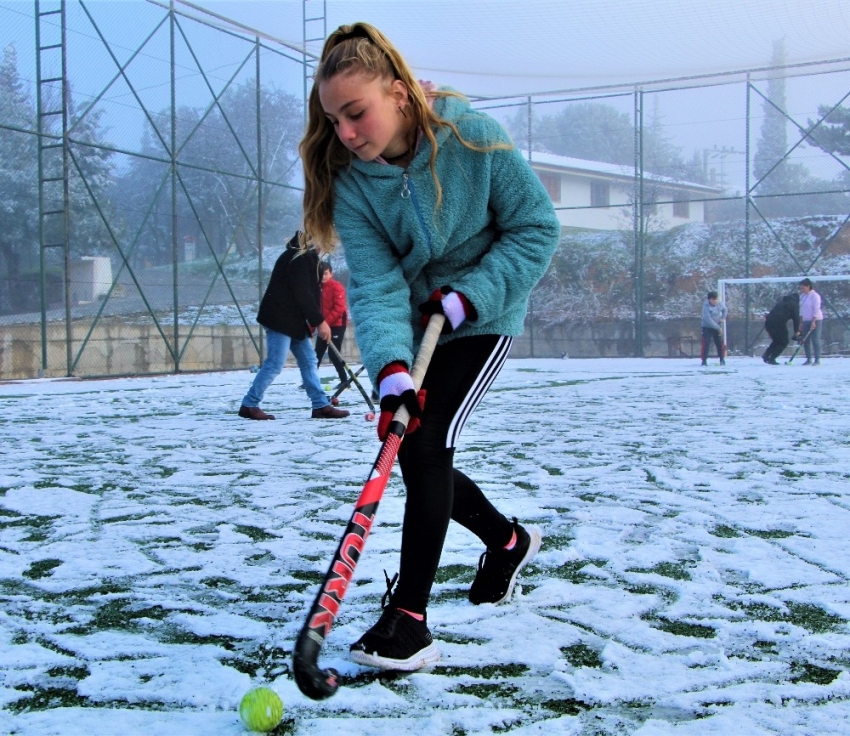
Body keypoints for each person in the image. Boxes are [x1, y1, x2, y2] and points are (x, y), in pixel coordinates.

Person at [300, 22, 561, 671]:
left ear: (397, 91)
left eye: (357, 114)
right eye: (335, 121)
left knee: (426, 442)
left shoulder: (472, 139)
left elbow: (536, 228)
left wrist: (471, 294)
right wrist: (391, 370)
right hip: (415, 327)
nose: (348, 134)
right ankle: (507, 542)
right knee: (414, 443)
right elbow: (379, 284)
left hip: (483, 315)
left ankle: (409, 619)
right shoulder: (355, 184)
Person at [238, 232, 350, 420]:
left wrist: (315, 321)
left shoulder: (309, 258)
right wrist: (320, 322)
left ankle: (320, 405)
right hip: (280, 319)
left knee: (309, 361)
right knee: (275, 363)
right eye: (326, 241)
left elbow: (310, 296)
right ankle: (249, 404)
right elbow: (303, 294)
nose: (328, 246)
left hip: (294, 321)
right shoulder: (297, 257)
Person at [315, 261, 349, 384]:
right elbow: (316, 309)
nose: (323, 276)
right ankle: (310, 381)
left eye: (325, 273)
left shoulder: (337, 287)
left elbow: (339, 308)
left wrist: (325, 323)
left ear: (331, 274)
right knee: (316, 354)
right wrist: (314, 325)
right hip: (324, 326)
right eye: (321, 274)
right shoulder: (317, 288)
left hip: (337, 325)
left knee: (334, 354)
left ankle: (344, 380)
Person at [762, 292, 800, 365]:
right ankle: (772, 358)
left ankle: (766, 355)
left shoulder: (782, 302)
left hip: (769, 322)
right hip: (778, 323)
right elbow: (796, 319)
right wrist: (797, 332)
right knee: (784, 342)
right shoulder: (794, 304)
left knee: (777, 341)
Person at [798, 277, 823, 366]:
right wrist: (801, 322)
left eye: (803, 288)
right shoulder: (802, 296)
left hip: (816, 320)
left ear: (808, 286)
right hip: (805, 320)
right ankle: (808, 359)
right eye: (800, 288)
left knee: (815, 339)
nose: (802, 290)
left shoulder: (815, 296)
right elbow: (801, 310)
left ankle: (817, 360)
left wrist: (813, 321)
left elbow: (816, 309)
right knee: (806, 340)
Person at [700, 290, 727, 366]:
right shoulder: (706, 306)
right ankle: (704, 361)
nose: (715, 301)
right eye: (713, 299)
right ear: (709, 299)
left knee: (719, 343)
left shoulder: (719, 304)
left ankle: (722, 359)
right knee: (706, 343)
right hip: (707, 327)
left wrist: (723, 318)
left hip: (717, 326)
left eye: (716, 299)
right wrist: (718, 328)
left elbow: (725, 310)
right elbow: (708, 319)